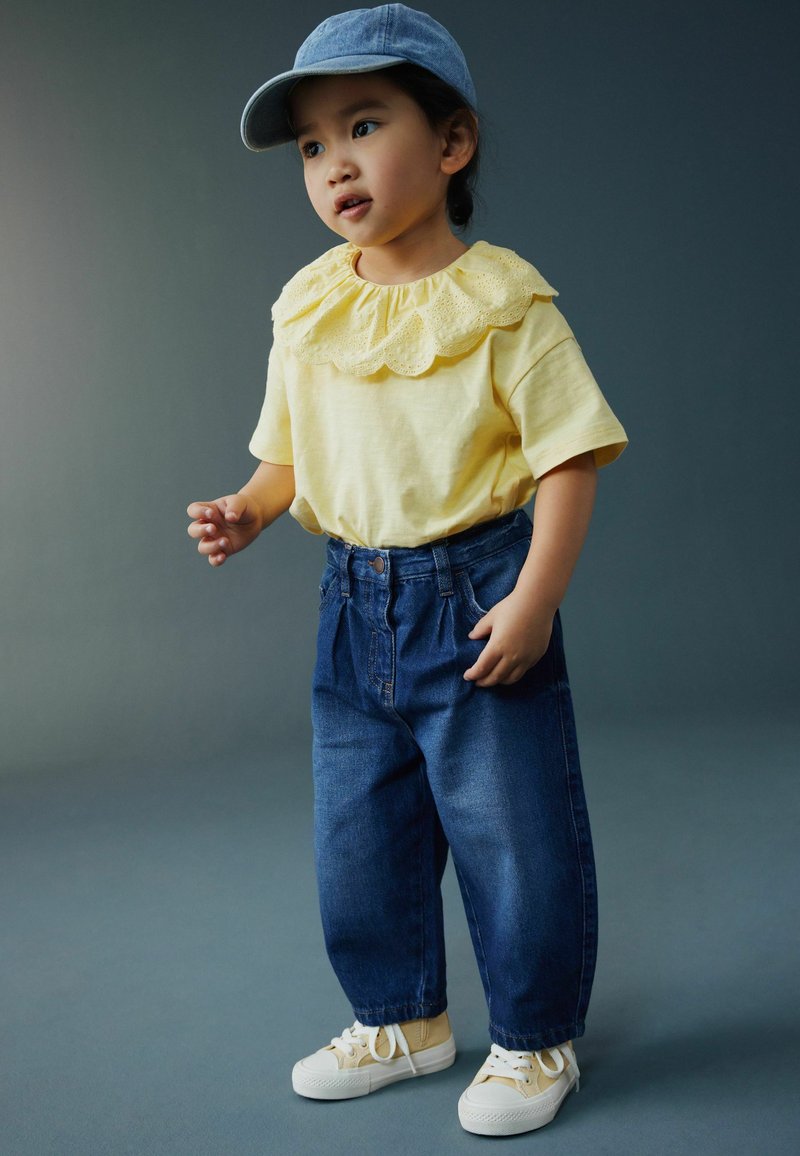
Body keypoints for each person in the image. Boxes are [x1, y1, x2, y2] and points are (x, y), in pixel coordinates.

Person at [186, 3, 628, 1137]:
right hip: (352, 604)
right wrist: (246, 509)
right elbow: (286, 455)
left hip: (476, 596)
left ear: (451, 141)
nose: (335, 163)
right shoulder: (309, 306)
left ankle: (533, 1038)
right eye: (312, 146)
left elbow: (569, 457)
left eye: (365, 124)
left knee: (509, 831)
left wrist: (533, 597)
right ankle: (402, 1017)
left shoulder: (504, 306)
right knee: (358, 833)